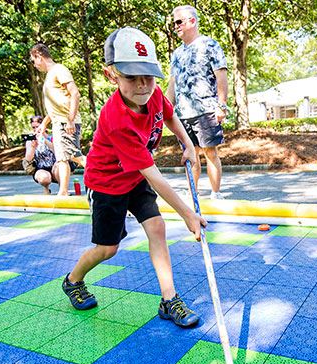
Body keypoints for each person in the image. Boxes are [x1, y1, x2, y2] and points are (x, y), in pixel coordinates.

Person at [61, 27, 205, 328]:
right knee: (108, 249)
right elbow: (153, 175)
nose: (142, 85)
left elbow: (169, 114)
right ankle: (73, 280)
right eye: (131, 77)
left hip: (134, 178)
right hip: (107, 184)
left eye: (148, 76)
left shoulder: (152, 96)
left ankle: (169, 300)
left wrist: (189, 144)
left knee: (157, 227)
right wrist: (188, 214)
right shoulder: (115, 118)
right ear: (111, 75)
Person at [167, 5, 229, 200]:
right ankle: (193, 194)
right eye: (174, 23)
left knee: (210, 153)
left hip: (206, 109)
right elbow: (173, 83)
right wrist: (165, 109)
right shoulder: (176, 54)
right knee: (190, 155)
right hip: (183, 114)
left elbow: (221, 75)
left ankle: (215, 194)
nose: (175, 26)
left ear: (192, 21)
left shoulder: (209, 45)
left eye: (179, 22)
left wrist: (222, 104)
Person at [29, 43, 86, 196]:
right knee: (62, 158)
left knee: (74, 156)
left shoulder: (59, 70)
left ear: (38, 56)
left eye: (33, 61)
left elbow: (75, 93)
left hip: (65, 122)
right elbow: (56, 106)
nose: (34, 65)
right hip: (58, 122)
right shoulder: (49, 76)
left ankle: (107, 174)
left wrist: (70, 119)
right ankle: (63, 192)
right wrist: (44, 123)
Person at [22, 115, 59, 194]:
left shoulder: (52, 137)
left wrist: (44, 140)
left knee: (60, 167)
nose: (36, 130)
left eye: (37, 127)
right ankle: (46, 189)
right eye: (34, 127)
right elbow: (28, 160)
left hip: (55, 167)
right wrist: (33, 147)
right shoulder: (30, 141)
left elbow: (58, 152)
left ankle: (62, 188)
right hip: (40, 168)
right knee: (44, 178)